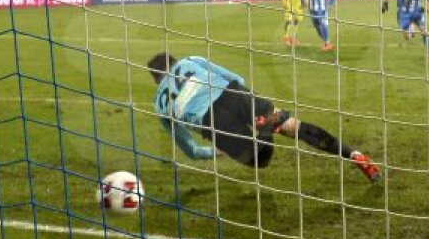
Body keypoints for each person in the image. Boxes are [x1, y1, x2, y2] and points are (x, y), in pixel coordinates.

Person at [148, 52, 380, 180]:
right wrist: (252, 102)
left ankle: (267, 129)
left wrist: (215, 151)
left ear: (155, 80)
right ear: (174, 62)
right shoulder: (190, 61)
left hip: (212, 121)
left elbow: (191, 150)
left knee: (260, 159)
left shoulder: (159, 104)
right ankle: (355, 154)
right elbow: (237, 78)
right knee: (292, 126)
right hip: (233, 94)